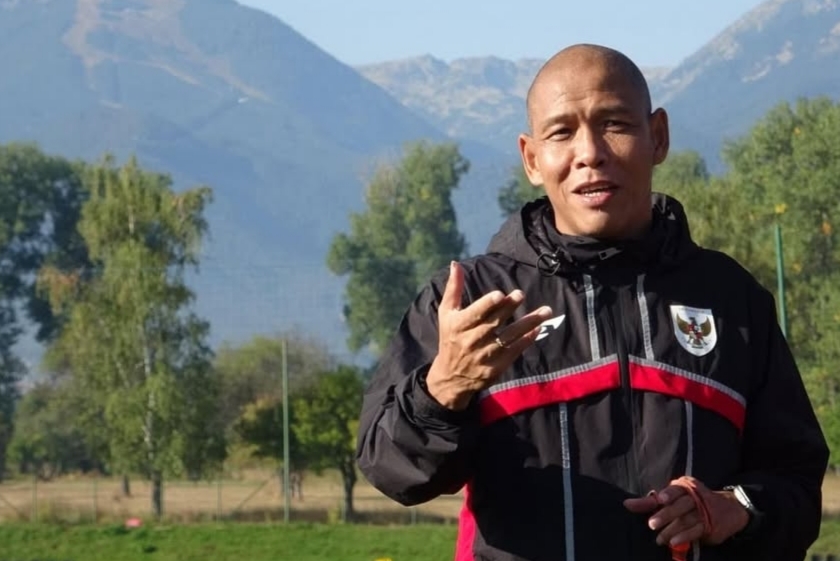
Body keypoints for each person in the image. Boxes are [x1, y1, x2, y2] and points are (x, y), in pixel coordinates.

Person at [355, 43, 829, 561]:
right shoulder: (469, 301)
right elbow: (392, 471)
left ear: (658, 137)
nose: (590, 153)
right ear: (532, 159)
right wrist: (444, 389)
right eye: (561, 132)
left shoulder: (732, 299)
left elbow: (797, 485)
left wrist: (734, 508)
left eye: (615, 124)